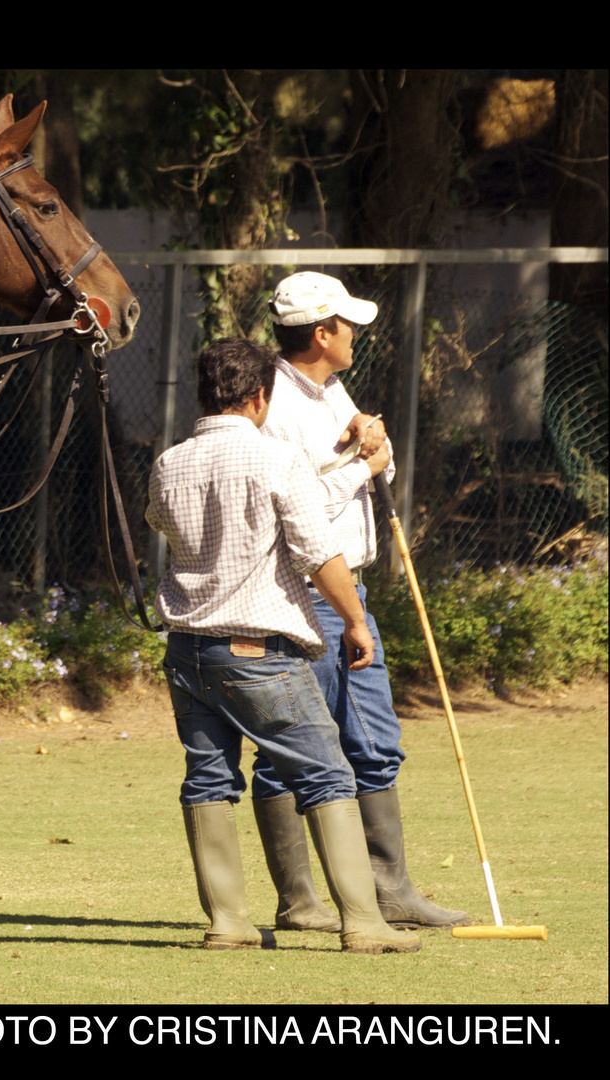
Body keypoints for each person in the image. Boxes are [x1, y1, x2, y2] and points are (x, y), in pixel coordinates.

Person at [147, 338, 419, 954]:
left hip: (187, 649)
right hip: (258, 648)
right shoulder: (277, 460)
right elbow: (318, 553)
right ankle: (365, 922)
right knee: (326, 774)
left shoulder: (169, 462)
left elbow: (159, 523)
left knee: (209, 778)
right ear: (260, 396)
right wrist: (352, 619)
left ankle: (228, 922)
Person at [251, 271, 470, 931]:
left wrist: (374, 444)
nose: (355, 336)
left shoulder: (330, 387)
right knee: (291, 747)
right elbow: (298, 510)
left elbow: (373, 463)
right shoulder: (277, 407)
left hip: (352, 592)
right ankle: (300, 901)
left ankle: (389, 890)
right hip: (305, 595)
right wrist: (361, 469)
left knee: (372, 741)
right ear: (323, 333)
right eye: (347, 326)